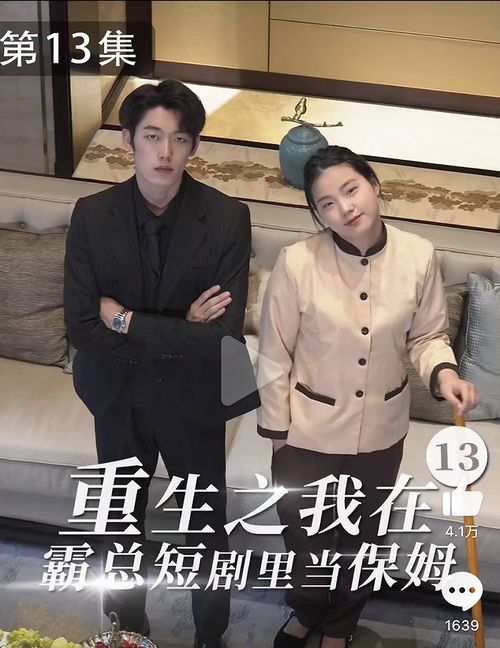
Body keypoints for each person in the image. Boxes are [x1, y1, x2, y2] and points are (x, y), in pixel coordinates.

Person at [256, 145, 479, 648]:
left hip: (381, 431)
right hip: (306, 434)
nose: (344, 208)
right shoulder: (297, 262)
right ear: (318, 214)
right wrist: (279, 438)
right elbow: (273, 354)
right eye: (327, 203)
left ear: (374, 185)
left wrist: (444, 373)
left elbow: (427, 336)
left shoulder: (419, 255)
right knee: (305, 541)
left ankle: (341, 626)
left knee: (362, 539)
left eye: (351, 189)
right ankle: (307, 612)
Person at [64, 79, 259, 648]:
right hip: (116, 394)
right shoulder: (91, 214)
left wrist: (125, 319)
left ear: (194, 146)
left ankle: (210, 636)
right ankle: (126, 630)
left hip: (195, 395)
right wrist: (181, 326)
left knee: (205, 528)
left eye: (179, 138)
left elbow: (221, 334)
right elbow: (82, 325)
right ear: (128, 140)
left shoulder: (228, 217)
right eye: (152, 136)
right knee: (118, 523)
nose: (165, 151)